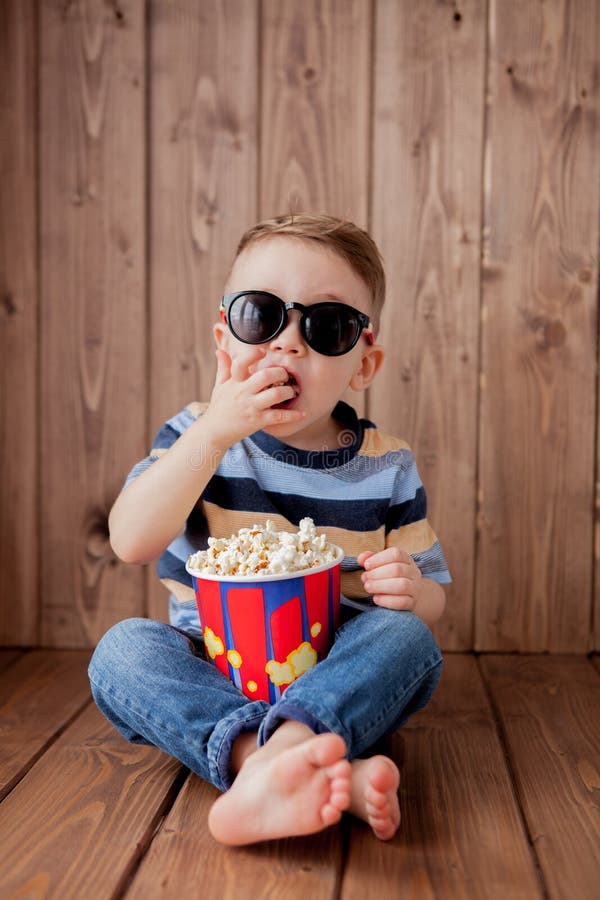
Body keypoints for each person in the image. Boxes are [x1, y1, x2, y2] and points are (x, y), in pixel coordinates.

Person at [89, 214, 451, 846]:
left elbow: (433, 596)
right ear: (224, 342)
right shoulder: (193, 438)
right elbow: (131, 542)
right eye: (261, 316)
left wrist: (414, 592)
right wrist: (214, 432)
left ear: (365, 364)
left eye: (328, 327)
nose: (288, 345)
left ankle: (282, 752)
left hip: (336, 669)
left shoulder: (386, 466)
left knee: (407, 639)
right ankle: (279, 766)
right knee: (122, 651)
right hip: (213, 664)